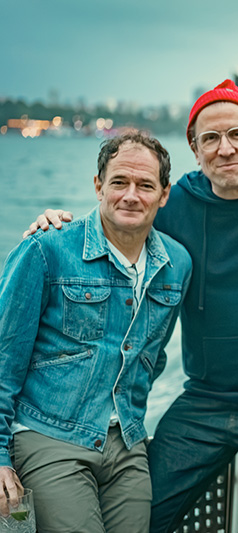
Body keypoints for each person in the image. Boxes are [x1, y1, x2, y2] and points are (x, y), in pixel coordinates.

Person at [23, 80, 238, 533]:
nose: (226, 149)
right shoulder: (173, 200)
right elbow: (119, 209)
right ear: (194, 150)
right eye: (210, 139)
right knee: (145, 514)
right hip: (203, 402)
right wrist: (54, 222)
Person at [0, 131, 191, 532]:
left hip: (127, 442)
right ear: (98, 185)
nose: (130, 195)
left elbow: (151, 358)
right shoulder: (46, 249)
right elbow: (4, 358)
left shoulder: (177, 264)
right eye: (119, 182)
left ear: (164, 195)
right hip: (50, 435)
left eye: (145, 185)